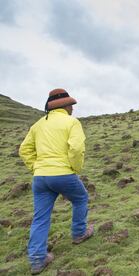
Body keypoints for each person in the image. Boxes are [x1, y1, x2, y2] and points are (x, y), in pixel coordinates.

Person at [19, 88, 94, 275]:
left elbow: (24, 150)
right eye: (71, 105)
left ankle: (37, 260)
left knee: (40, 217)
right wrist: (75, 168)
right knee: (80, 198)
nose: (73, 108)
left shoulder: (37, 125)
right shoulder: (72, 122)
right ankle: (79, 233)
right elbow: (76, 149)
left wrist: (36, 167)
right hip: (63, 174)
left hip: (40, 177)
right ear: (64, 105)